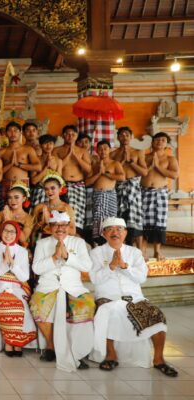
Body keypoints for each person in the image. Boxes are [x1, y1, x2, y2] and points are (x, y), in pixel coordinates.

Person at [89, 217, 177, 377]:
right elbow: (95, 279)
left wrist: (124, 266)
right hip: (109, 298)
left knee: (157, 316)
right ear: (104, 233)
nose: (115, 232)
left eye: (119, 229)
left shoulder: (135, 253)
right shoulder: (96, 253)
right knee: (109, 313)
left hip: (135, 298)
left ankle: (159, 360)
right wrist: (111, 266)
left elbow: (141, 277)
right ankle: (111, 356)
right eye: (110, 229)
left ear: (126, 233)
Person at [30, 211, 95, 372]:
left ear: (69, 226)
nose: (60, 229)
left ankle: (76, 352)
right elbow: (36, 268)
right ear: (50, 227)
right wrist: (54, 257)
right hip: (48, 286)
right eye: (55, 225)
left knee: (85, 305)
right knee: (37, 305)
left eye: (63, 225)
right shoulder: (42, 243)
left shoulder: (78, 243)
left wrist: (67, 257)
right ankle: (52, 346)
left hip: (73, 287)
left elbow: (87, 266)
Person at [0, 221, 37, 356]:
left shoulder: (22, 251)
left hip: (17, 288)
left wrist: (12, 264)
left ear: (17, 234)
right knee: (4, 303)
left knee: (18, 305)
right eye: (6, 231)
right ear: (1, 232)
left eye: (12, 232)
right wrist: (4, 264)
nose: (8, 234)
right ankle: (9, 342)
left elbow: (24, 277)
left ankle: (17, 342)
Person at [141, 132, 179, 260]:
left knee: (159, 222)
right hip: (144, 192)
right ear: (152, 142)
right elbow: (137, 172)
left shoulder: (170, 159)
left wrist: (157, 166)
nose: (160, 141)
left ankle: (157, 251)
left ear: (166, 144)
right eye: (157, 139)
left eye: (163, 140)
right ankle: (143, 251)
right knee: (142, 222)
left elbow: (174, 175)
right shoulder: (145, 157)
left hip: (160, 193)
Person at [111, 127, 148, 246]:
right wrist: (122, 161)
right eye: (122, 135)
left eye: (127, 135)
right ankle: (122, 247)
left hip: (133, 188)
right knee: (120, 218)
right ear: (118, 138)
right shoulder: (113, 153)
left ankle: (139, 250)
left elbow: (144, 172)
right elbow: (111, 170)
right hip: (118, 188)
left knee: (135, 218)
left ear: (131, 137)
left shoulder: (138, 152)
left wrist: (131, 162)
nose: (124, 137)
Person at [53, 125, 93, 235]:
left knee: (77, 215)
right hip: (62, 185)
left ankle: (75, 238)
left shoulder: (83, 151)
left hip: (79, 185)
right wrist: (69, 155)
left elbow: (89, 170)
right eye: (67, 134)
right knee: (62, 213)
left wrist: (76, 157)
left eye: (73, 134)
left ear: (76, 136)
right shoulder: (57, 150)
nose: (70, 136)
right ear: (63, 136)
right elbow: (56, 169)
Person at [86, 140, 125, 243]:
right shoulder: (94, 165)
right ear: (97, 151)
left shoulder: (115, 163)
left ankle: (111, 242)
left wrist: (105, 173)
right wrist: (98, 173)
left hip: (110, 195)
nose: (103, 151)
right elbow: (87, 182)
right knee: (98, 220)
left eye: (105, 148)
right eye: (100, 149)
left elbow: (122, 177)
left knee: (110, 220)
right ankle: (98, 244)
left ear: (109, 150)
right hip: (97, 195)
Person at [0, 121, 41, 209]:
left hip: (23, 183)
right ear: (6, 133)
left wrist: (19, 165)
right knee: (6, 212)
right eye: (10, 131)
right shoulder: (1, 152)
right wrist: (10, 164)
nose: (13, 133)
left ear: (20, 133)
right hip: (6, 184)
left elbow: (38, 167)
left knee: (24, 211)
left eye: (15, 131)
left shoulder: (28, 149)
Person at [31, 172, 77, 240]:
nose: (49, 191)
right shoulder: (39, 207)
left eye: (52, 188)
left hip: (59, 240)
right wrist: (41, 223)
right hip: (41, 240)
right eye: (46, 189)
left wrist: (52, 222)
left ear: (60, 188)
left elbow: (73, 231)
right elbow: (32, 230)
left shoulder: (66, 208)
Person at [0, 181, 34, 247]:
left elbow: (23, 239)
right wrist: (4, 223)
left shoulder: (28, 218)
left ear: (24, 198)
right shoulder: (1, 213)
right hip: (1, 246)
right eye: (10, 197)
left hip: (19, 249)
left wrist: (10, 220)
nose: (12, 200)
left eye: (16, 197)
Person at [31, 134, 63, 207]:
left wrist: (52, 168)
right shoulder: (36, 160)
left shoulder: (58, 161)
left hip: (54, 192)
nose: (48, 146)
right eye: (45, 143)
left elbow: (59, 180)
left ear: (54, 145)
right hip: (39, 191)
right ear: (40, 145)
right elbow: (34, 181)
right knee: (38, 214)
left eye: (51, 143)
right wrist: (46, 167)